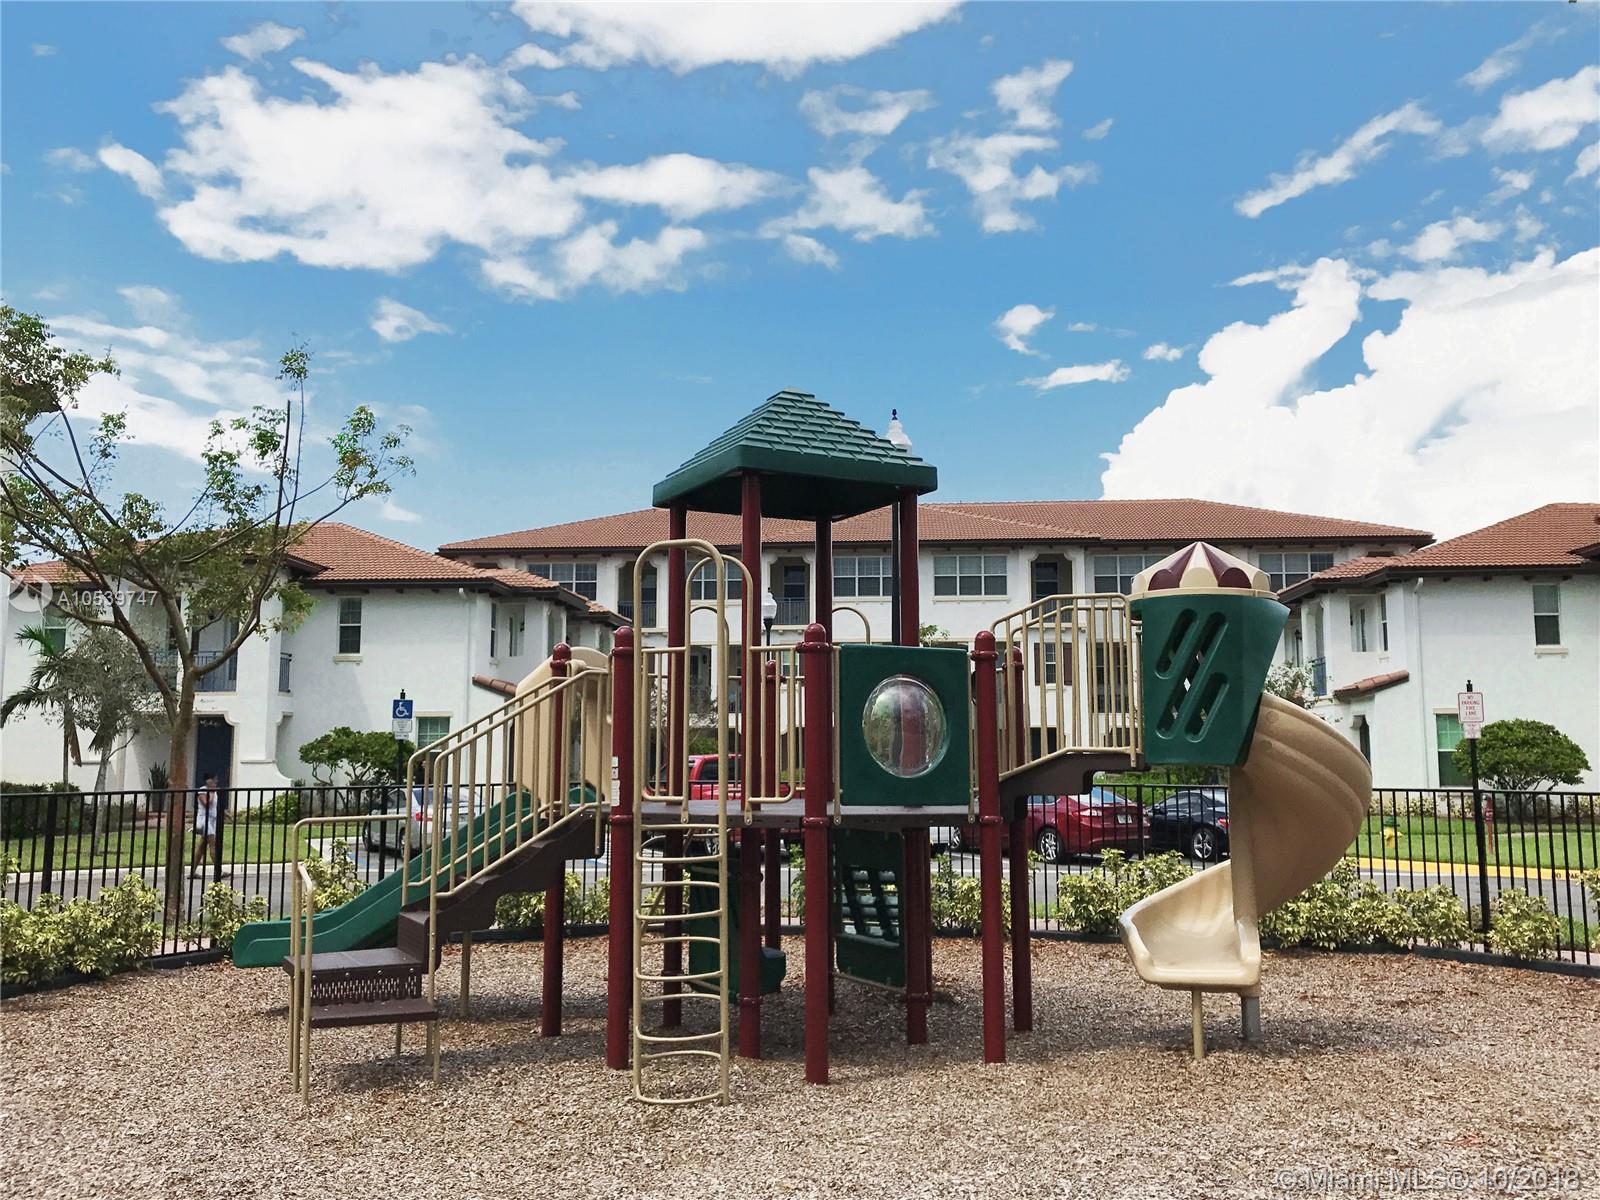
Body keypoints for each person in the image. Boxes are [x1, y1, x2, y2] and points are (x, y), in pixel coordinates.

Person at [189, 773, 228, 879]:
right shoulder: (203, 790)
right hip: (204, 821)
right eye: (214, 780)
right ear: (208, 780)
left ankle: (192, 872)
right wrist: (212, 792)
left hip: (211, 821)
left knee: (201, 847)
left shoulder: (214, 792)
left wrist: (227, 815)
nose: (216, 782)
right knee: (213, 845)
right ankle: (219, 871)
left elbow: (215, 807)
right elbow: (207, 803)